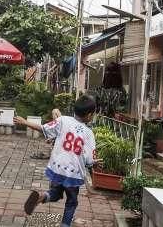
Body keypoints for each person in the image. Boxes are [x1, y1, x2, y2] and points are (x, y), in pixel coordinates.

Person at [13, 95, 99, 227]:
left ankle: (41, 196)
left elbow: (43, 129)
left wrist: (24, 122)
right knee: (71, 202)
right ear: (89, 115)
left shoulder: (63, 120)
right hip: (73, 173)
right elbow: (89, 160)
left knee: (56, 193)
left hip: (57, 168)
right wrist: (94, 162)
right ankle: (65, 224)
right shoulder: (89, 133)